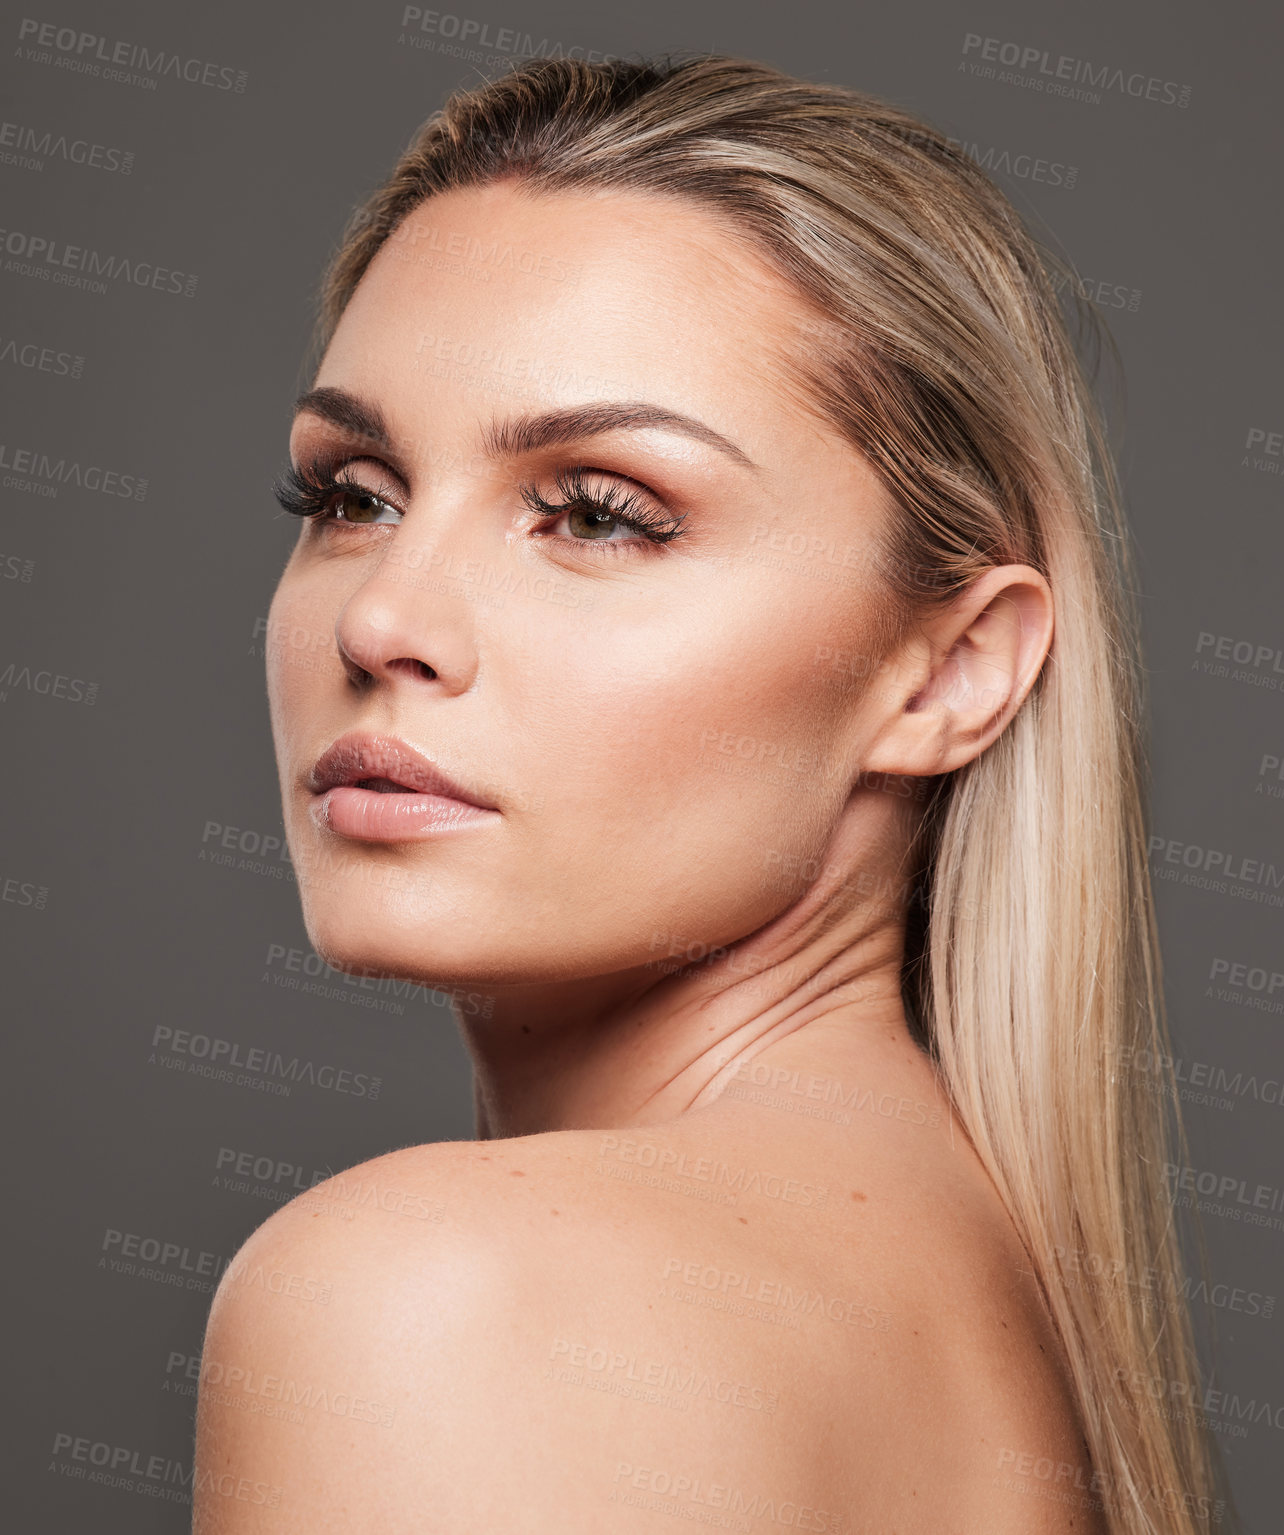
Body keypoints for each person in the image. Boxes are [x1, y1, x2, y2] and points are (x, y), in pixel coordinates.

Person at [193, 54, 1230, 1533]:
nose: (381, 622)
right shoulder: (989, 1321)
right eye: (353, 495)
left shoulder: (436, 1300)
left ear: (947, 674)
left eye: (600, 515)